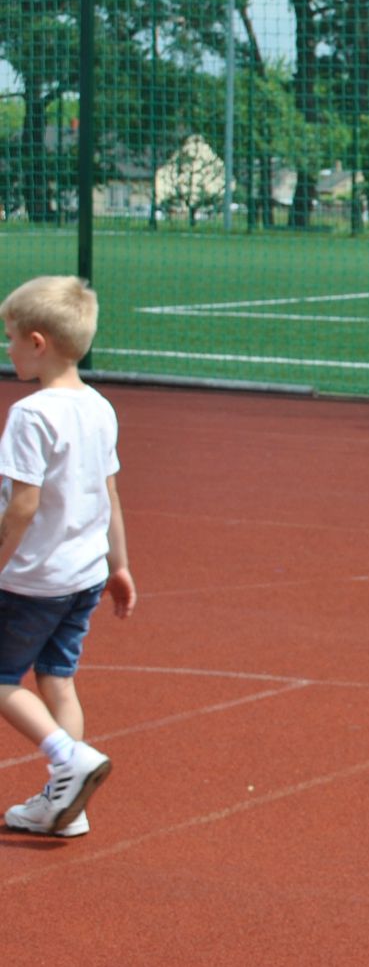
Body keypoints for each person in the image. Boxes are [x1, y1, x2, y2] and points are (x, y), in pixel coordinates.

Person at [1, 275, 136, 839]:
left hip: (34, 579)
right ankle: (69, 805)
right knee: (57, 680)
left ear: (37, 342)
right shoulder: (99, 407)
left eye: (10, 338)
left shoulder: (31, 415)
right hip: (84, 576)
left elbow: (23, 505)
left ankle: (67, 758)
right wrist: (119, 565)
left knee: (2, 679)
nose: (8, 349)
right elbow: (110, 491)